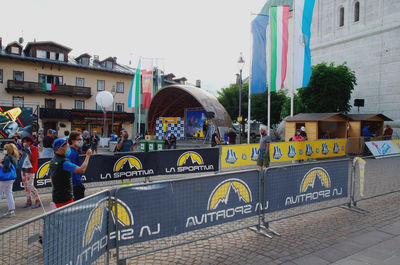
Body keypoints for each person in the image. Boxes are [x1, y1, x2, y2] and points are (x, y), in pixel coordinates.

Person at [49, 139, 92, 208]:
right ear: (61, 149)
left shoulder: (53, 160)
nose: (68, 148)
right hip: (65, 198)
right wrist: (88, 156)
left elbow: (51, 178)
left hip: (56, 196)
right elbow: (82, 170)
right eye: (67, 146)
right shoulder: (64, 162)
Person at [19, 136, 40, 208]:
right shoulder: (23, 149)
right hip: (24, 169)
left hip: (31, 169)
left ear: (30, 142)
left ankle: (37, 200)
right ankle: (29, 200)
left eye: (26, 141)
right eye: (23, 142)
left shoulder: (34, 148)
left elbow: (33, 159)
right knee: (25, 185)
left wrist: (28, 152)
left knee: (30, 185)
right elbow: (21, 159)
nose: (25, 143)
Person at [66, 131, 87, 201]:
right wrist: (88, 156)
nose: (81, 141)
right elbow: (81, 170)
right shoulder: (72, 153)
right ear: (72, 141)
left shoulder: (73, 151)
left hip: (75, 183)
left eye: (81, 139)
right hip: (75, 184)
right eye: (79, 139)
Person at [0, 143, 19, 217]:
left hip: (4, 178)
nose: (4, 150)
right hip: (11, 178)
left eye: (5, 149)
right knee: (8, 193)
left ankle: (11, 210)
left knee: (3, 193)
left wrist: (0, 164)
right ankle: (11, 210)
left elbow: (5, 169)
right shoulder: (14, 157)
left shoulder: (8, 157)